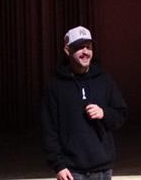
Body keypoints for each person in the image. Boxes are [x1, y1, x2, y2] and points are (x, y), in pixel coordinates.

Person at [41, 26, 128, 180]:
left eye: (88, 47)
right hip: (71, 171)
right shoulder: (55, 86)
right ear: (67, 50)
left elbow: (120, 115)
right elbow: (48, 129)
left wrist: (104, 113)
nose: (85, 52)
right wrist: (58, 165)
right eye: (79, 47)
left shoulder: (104, 80)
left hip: (102, 169)